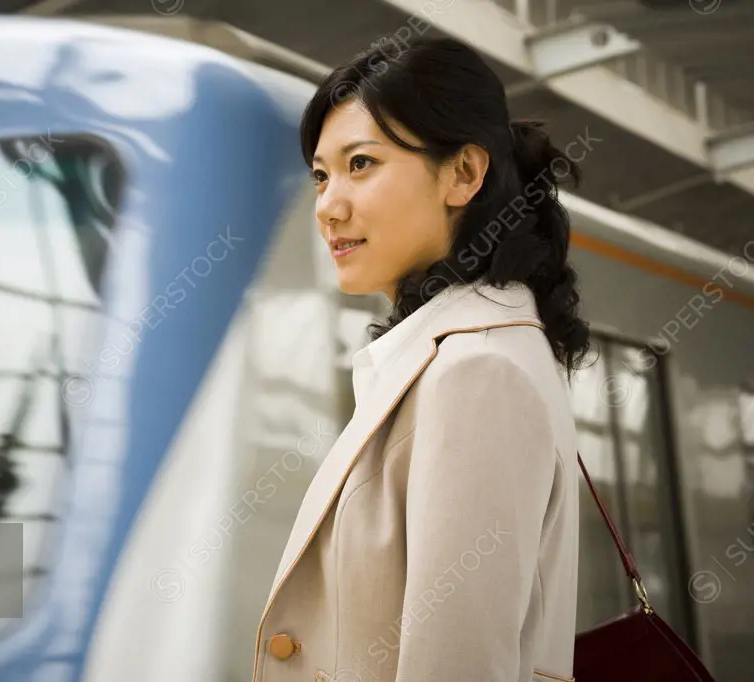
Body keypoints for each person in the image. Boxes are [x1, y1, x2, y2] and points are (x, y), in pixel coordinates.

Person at [251, 37, 588, 682]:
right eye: (322, 175)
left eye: (362, 164)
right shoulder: (466, 354)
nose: (329, 206)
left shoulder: (477, 374)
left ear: (463, 173)